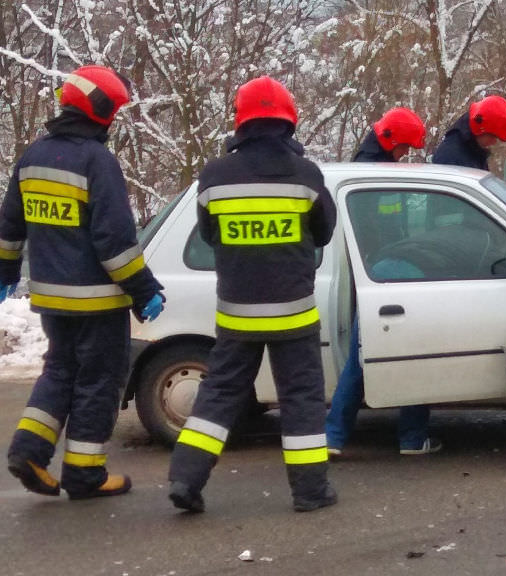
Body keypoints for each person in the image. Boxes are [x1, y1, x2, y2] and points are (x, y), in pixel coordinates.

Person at [167, 76, 337, 513]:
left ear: (241, 122)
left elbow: (209, 234)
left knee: (219, 395)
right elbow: (323, 233)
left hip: (237, 316)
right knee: (300, 400)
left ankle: (185, 480)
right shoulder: (306, 174)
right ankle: (310, 493)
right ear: (288, 121)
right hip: (295, 317)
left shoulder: (214, 176)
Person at [0, 65, 165, 500]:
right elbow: (115, 244)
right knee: (99, 380)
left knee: (59, 371)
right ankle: (85, 474)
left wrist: (4, 275)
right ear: (101, 112)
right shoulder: (97, 161)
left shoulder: (32, 156)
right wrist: (144, 291)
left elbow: (9, 229)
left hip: (51, 299)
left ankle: (29, 451)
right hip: (97, 302)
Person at [325, 108, 441, 456]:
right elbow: (376, 232)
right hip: (389, 271)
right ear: (389, 140)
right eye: (403, 148)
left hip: (382, 271)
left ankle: (334, 436)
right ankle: (411, 437)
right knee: (414, 354)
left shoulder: (371, 170)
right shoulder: (371, 174)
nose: (405, 155)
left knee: (362, 358)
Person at [431, 95, 506, 170]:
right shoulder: (451, 157)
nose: (494, 142)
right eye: (493, 136)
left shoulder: (473, 151)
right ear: (480, 128)